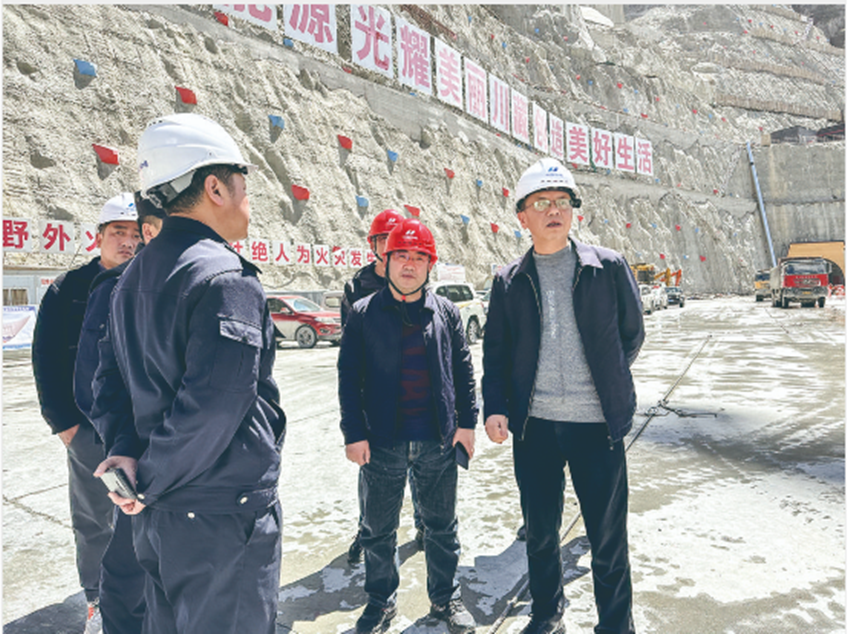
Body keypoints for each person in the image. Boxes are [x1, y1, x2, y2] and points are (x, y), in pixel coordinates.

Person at [90, 113, 286, 634]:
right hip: (220, 515)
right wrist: (147, 481)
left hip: (162, 518)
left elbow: (108, 381)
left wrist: (127, 456)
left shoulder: (132, 276)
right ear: (215, 187)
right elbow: (215, 405)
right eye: (243, 182)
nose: (247, 196)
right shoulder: (226, 278)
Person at [482, 157, 644, 634]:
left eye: (562, 202)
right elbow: (496, 352)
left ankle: (616, 625)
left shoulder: (607, 267)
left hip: (597, 425)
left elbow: (631, 334)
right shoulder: (508, 281)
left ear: (573, 210)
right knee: (540, 533)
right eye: (541, 203)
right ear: (522, 216)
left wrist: (606, 379)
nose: (554, 210)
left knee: (607, 540)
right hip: (535, 427)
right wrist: (496, 408)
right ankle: (546, 612)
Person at [338, 218, 478, 634]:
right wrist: (353, 433)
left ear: (430, 264)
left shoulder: (446, 312)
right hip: (382, 441)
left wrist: (467, 424)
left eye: (420, 257)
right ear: (387, 260)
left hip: (437, 440)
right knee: (378, 530)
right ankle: (380, 602)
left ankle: (445, 598)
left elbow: (464, 370)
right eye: (402, 255)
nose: (410, 265)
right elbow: (348, 378)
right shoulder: (363, 313)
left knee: (441, 528)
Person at [32, 192, 141, 634]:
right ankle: (97, 599)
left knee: (144, 514)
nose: (128, 242)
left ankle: (142, 598)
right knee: (95, 517)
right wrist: (66, 427)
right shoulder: (69, 289)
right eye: (118, 232)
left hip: (142, 427)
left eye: (137, 234)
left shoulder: (151, 284)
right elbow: (45, 359)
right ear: (98, 237)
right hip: (90, 431)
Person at [74, 193, 166, 634]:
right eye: (121, 232)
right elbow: (92, 379)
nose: (131, 241)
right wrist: (114, 443)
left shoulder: (186, 281)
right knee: (122, 554)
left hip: (176, 461)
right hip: (131, 452)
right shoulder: (112, 287)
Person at [341, 208, 425, 564]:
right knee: (371, 470)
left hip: (413, 392)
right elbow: (351, 351)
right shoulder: (357, 288)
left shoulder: (413, 278)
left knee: (420, 464)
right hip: (373, 397)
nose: (389, 246)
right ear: (374, 245)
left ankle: (424, 525)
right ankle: (367, 530)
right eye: (382, 240)